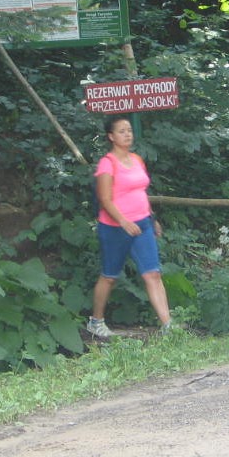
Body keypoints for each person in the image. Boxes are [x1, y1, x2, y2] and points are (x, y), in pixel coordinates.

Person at [87, 114, 172, 340]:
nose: (127, 134)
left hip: (142, 224)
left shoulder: (137, 159)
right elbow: (105, 199)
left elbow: (141, 191)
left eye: (129, 130)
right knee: (110, 276)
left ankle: (168, 325)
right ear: (111, 136)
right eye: (122, 131)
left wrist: (152, 218)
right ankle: (96, 321)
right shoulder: (107, 163)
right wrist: (124, 222)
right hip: (115, 227)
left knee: (153, 273)